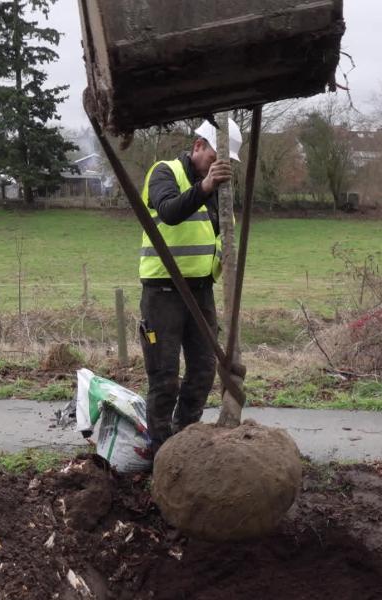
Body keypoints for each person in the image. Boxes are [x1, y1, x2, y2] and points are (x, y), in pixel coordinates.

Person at [138, 119, 241, 455]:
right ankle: (160, 452)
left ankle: (184, 440)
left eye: (225, 162)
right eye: (214, 158)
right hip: (163, 292)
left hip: (200, 291)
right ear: (198, 146)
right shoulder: (164, 172)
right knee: (164, 375)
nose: (218, 167)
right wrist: (206, 186)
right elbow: (169, 212)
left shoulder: (220, 192)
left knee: (203, 370)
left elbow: (222, 237)